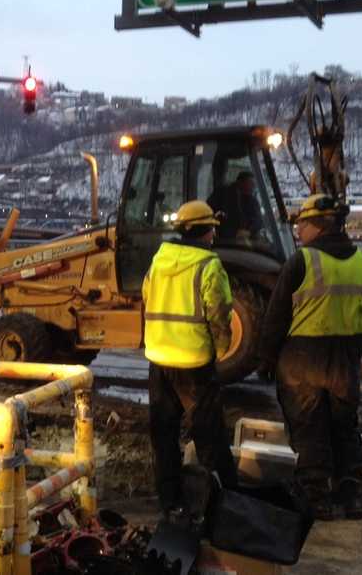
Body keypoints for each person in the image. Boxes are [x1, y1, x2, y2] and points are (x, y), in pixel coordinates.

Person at [257, 194, 362, 520]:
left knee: (310, 427)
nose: (298, 229)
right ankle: (351, 493)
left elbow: (276, 316)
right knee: (344, 424)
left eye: (302, 223)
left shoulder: (302, 262)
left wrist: (266, 359)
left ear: (319, 225)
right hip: (346, 358)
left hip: (303, 359)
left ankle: (316, 497)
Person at [142, 200, 238, 519]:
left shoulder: (159, 260)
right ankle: (226, 500)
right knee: (209, 435)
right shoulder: (209, 266)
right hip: (194, 365)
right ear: (206, 231)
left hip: (159, 361)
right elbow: (220, 315)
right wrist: (221, 352)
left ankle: (171, 501)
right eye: (212, 229)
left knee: (164, 436)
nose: (214, 235)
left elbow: (146, 296)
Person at [207, 170, 263, 241]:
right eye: (250, 183)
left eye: (254, 184)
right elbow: (211, 214)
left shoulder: (252, 200)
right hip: (223, 239)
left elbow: (259, 220)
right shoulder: (222, 194)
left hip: (245, 238)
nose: (253, 187)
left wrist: (249, 231)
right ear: (240, 182)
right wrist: (234, 233)